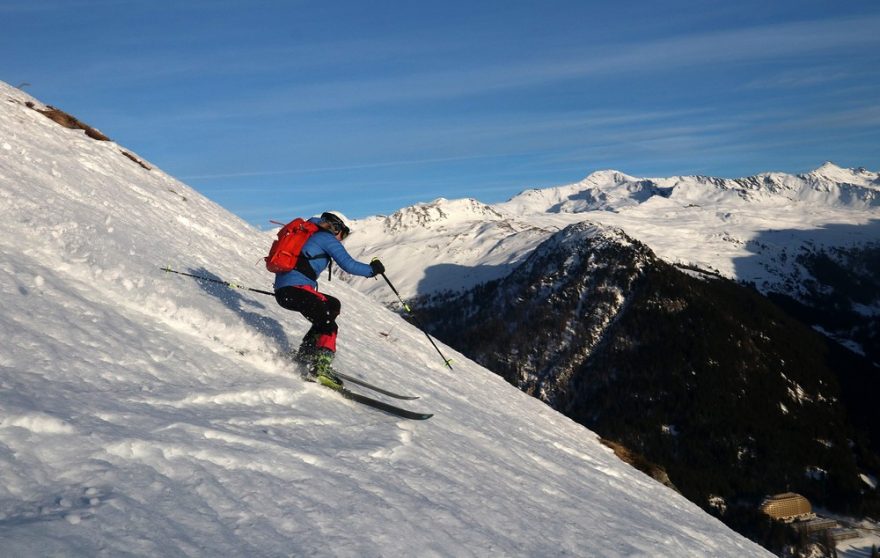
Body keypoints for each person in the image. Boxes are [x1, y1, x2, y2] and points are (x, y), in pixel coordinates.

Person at [273, 212, 384, 389]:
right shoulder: (325, 237)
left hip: (286, 291)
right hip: (296, 290)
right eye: (344, 234)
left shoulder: (308, 234)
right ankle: (320, 367)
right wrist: (373, 270)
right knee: (328, 324)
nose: (342, 239)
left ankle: (307, 354)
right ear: (336, 228)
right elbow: (349, 265)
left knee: (331, 305)